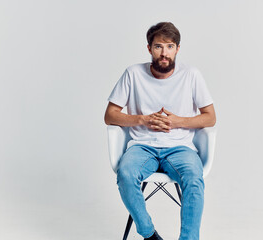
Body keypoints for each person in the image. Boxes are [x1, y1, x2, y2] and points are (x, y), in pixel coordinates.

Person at [104, 22, 216, 240]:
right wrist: (142, 119)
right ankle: (149, 234)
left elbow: (210, 117)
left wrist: (177, 122)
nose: (164, 53)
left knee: (194, 177)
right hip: (142, 147)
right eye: (158, 47)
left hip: (180, 148)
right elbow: (110, 115)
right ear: (149, 48)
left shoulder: (191, 75)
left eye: (170, 46)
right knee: (126, 174)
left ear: (177, 48)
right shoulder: (133, 74)